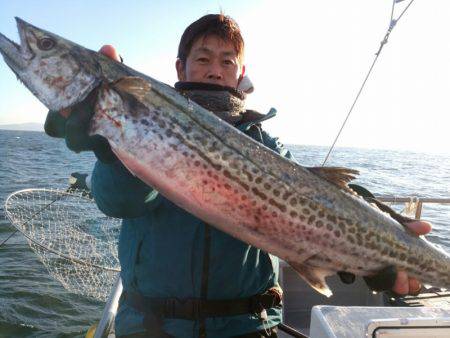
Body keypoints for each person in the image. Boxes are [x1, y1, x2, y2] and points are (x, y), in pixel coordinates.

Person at [45, 14, 431, 338]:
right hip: (153, 326)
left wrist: (377, 230)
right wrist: (111, 149)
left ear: (240, 73)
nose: (215, 70)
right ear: (180, 67)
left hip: (247, 327)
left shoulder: (267, 143)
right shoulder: (144, 118)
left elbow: (310, 201)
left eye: (227, 61)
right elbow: (118, 202)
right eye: (204, 58)